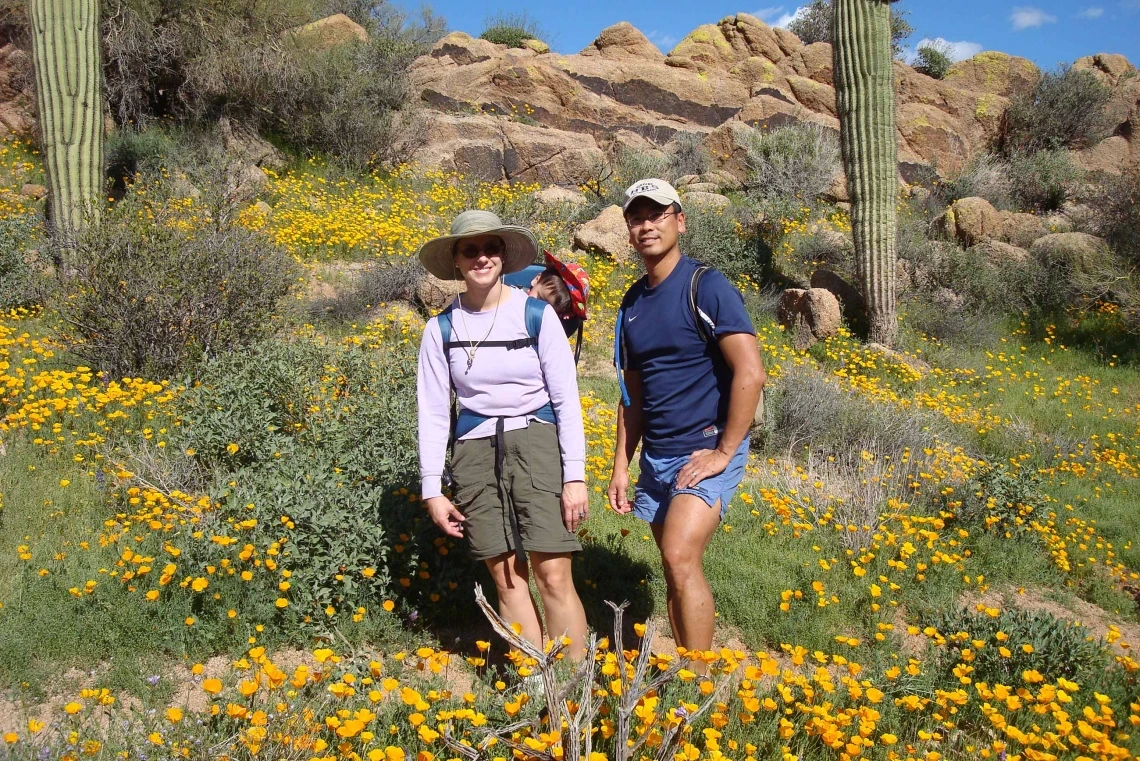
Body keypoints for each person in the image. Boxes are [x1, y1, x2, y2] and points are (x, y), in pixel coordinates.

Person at [416, 210, 589, 660]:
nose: (481, 258)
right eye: (470, 250)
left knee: (552, 573)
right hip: (473, 451)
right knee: (507, 577)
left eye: (490, 248)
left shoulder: (535, 315)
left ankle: (574, 688)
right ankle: (537, 688)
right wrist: (432, 490)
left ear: (504, 255)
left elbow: (566, 400)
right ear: (455, 260)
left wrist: (575, 478)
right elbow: (434, 411)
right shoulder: (440, 330)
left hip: (536, 443)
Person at [606, 179, 767, 662]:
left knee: (678, 556)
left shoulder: (707, 286)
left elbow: (751, 372)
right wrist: (621, 465)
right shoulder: (632, 303)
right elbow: (631, 393)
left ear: (680, 220)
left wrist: (723, 452)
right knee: (676, 566)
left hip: (706, 449)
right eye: (637, 217)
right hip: (657, 454)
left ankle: (696, 680)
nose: (646, 225)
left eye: (657, 214)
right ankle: (686, 664)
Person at [503, 251, 590, 362]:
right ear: (536, 279)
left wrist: (567, 320)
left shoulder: (549, 324)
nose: (538, 308)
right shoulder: (512, 296)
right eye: (540, 298)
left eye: (549, 310)